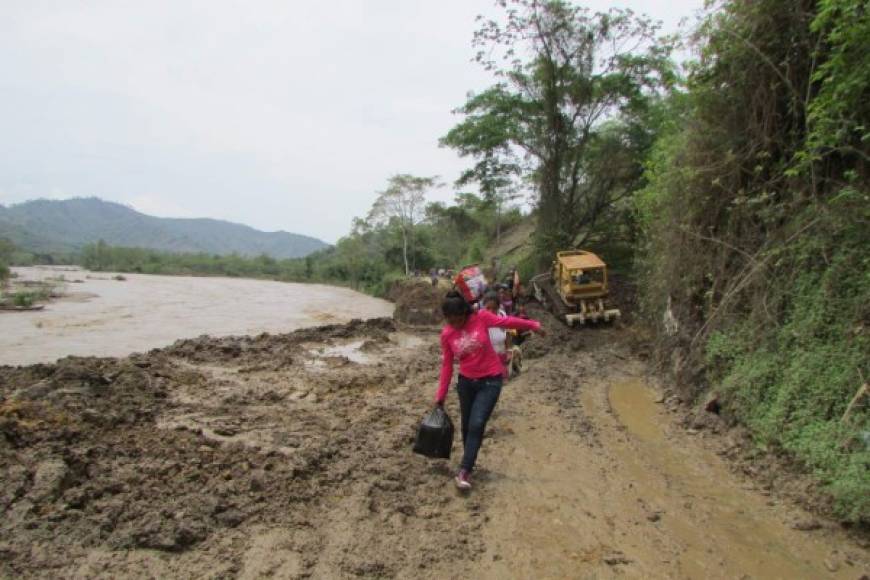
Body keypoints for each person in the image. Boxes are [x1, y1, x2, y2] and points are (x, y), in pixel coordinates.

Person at [435, 291, 544, 490]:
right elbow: (447, 366)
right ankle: (470, 459)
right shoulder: (447, 334)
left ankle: (464, 471)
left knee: (477, 424)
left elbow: (507, 322)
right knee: (467, 427)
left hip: (490, 380)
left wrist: (533, 325)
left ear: (465, 313)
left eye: (458, 319)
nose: (455, 324)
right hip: (466, 383)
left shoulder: (481, 318)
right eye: (450, 320)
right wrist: (440, 397)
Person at [482, 291, 510, 378]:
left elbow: (507, 333)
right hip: (487, 358)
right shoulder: (480, 318)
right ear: (484, 307)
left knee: (504, 376)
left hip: (501, 353)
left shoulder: (502, 315)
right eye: (488, 308)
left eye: (494, 308)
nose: (491, 311)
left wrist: (509, 351)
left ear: (498, 307)